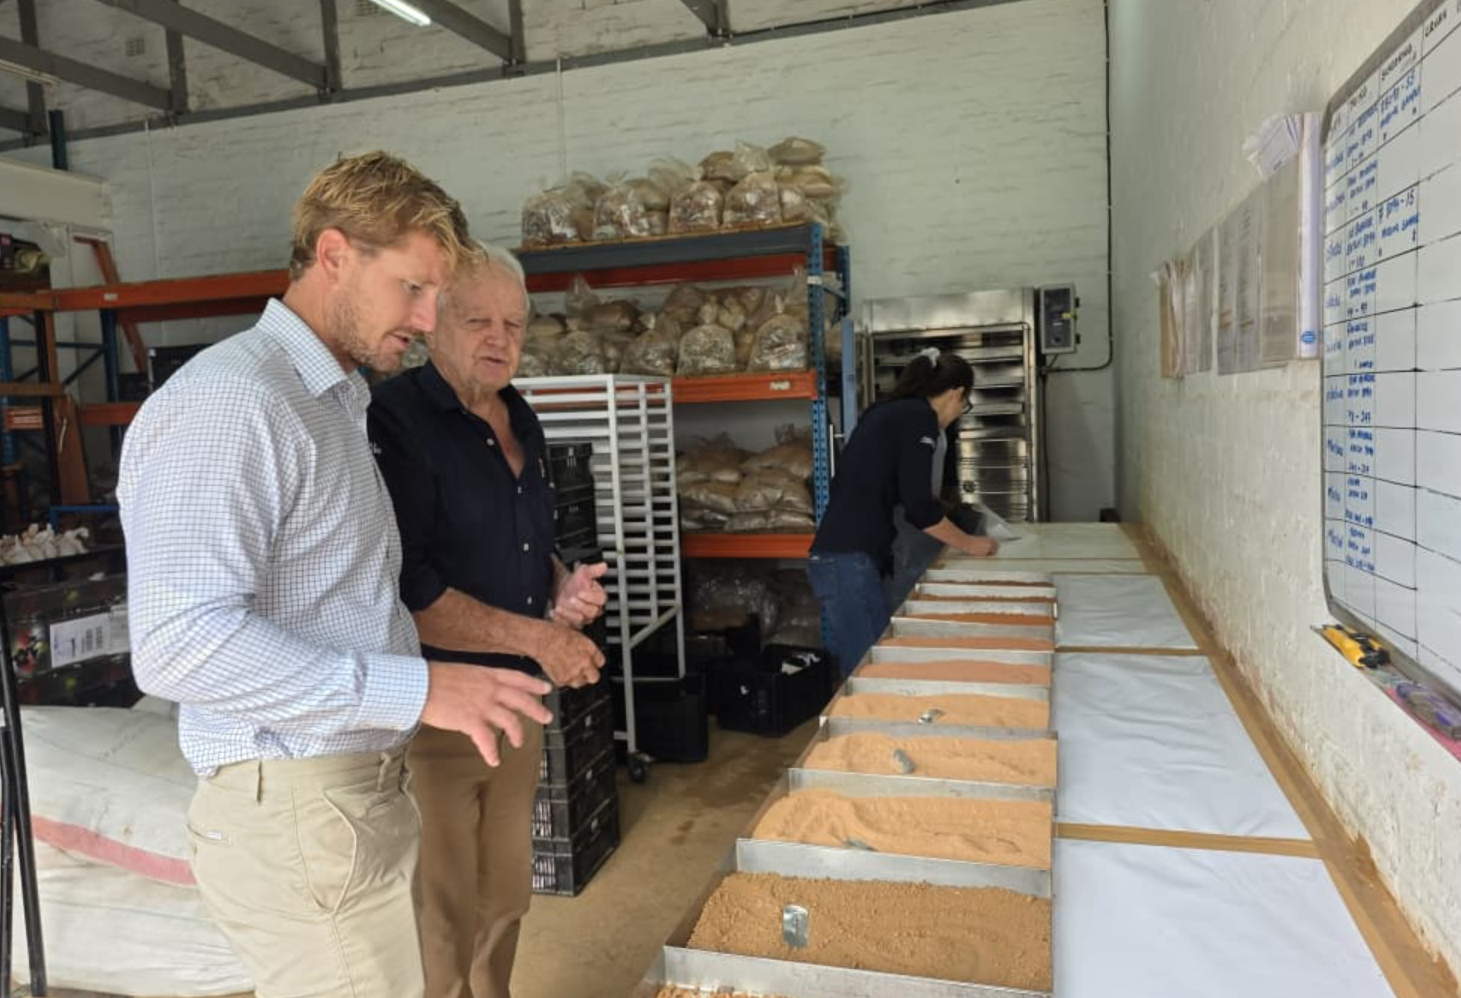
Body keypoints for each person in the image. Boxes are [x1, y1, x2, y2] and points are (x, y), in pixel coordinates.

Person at [117, 152, 555, 998]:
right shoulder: (235, 403)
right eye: (413, 289)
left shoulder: (331, 401)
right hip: (294, 801)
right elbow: (176, 646)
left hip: (349, 794)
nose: (428, 321)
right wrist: (417, 692)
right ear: (333, 256)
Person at [368, 243, 608, 998]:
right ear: (432, 319)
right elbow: (413, 589)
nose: (499, 338)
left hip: (515, 704)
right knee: (440, 911)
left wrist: (559, 591)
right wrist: (545, 639)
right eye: (477, 319)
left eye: (513, 322)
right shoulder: (398, 420)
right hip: (435, 710)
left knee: (504, 895)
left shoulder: (520, 418)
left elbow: (524, 547)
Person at [807, 348, 998, 676]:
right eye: (963, 406)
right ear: (956, 393)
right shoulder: (917, 417)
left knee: (874, 666)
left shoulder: (891, 412)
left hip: (847, 560)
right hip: (846, 563)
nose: (958, 413)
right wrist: (969, 543)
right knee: (871, 674)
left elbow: (902, 492)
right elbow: (919, 508)